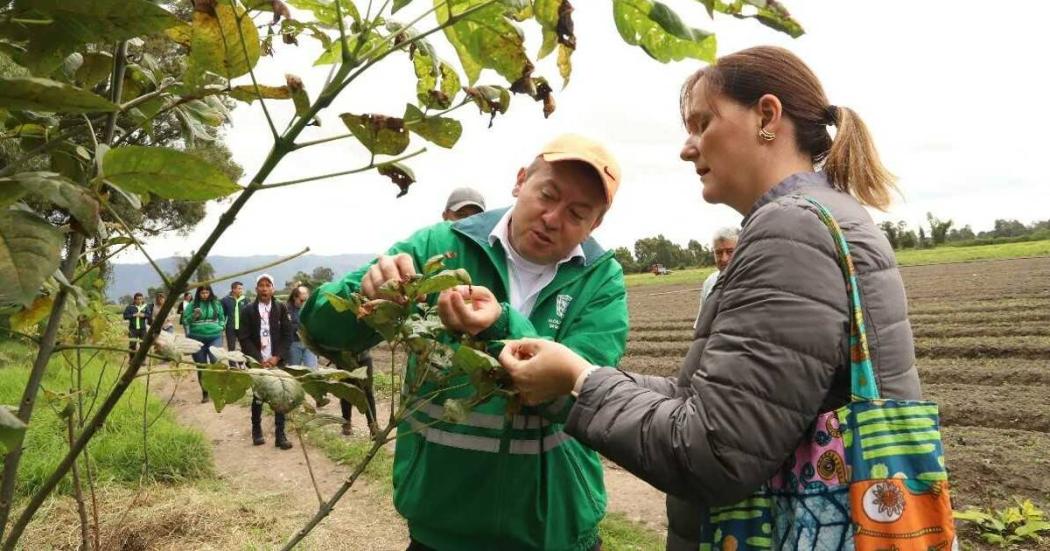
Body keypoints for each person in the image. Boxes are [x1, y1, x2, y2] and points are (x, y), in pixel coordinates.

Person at [499, 46, 922, 550]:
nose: (687, 147)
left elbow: (716, 452)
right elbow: (722, 402)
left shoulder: (790, 227)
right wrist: (581, 376)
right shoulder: (825, 215)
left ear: (767, 115)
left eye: (702, 124)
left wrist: (580, 382)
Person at [300, 134, 629, 550]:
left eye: (577, 213)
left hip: (555, 529)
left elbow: (580, 390)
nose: (552, 218)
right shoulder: (440, 247)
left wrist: (501, 324)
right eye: (547, 194)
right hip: (443, 526)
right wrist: (364, 296)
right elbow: (323, 330)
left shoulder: (601, 279)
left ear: (595, 225)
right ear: (520, 180)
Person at [237, 274, 294, 450]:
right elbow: (244, 337)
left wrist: (277, 356)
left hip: (277, 360)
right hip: (257, 362)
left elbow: (287, 334)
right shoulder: (247, 310)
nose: (264, 288)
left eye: (267, 285)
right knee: (258, 397)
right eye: (261, 285)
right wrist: (258, 359)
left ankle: (280, 435)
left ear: (273, 289)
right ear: (256, 290)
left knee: (280, 397)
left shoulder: (281, 308)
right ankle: (257, 430)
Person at [182, 284, 226, 403]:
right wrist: (193, 316)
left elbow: (222, 317)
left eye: (207, 292)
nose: (204, 295)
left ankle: (217, 390)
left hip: (214, 337)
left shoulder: (216, 304)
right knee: (201, 366)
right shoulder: (192, 305)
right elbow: (184, 320)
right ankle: (205, 393)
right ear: (198, 293)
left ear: (210, 292)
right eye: (202, 293)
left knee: (215, 362)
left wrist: (221, 326)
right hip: (197, 339)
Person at [694, 226, 738, 327]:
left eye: (730, 252)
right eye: (718, 253)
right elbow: (701, 325)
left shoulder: (752, 280)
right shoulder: (710, 282)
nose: (724, 258)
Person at [286, 285, 317, 368]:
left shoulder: (312, 309)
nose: (304, 303)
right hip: (294, 344)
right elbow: (287, 328)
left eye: (306, 301)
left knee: (312, 370)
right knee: (295, 371)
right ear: (294, 298)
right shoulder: (286, 310)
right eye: (301, 300)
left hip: (309, 344)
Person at [220, 281, 246, 354]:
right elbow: (222, 314)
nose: (241, 290)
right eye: (239, 289)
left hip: (242, 327)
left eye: (242, 289)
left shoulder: (245, 299)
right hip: (230, 327)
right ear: (233, 289)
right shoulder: (225, 300)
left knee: (244, 346)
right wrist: (222, 325)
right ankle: (232, 364)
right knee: (231, 347)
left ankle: (242, 363)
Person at [122, 293, 148, 358]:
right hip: (133, 329)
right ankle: (132, 359)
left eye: (140, 299)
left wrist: (144, 315)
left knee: (143, 344)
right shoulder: (130, 307)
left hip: (142, 329)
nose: (139, 301)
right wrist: (134, 315)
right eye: (138, 299)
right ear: (134, 300)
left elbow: (149, 315)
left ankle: (142, 360)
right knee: (132, 345)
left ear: (142, 299)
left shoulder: (145, 307)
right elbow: (125, 316)